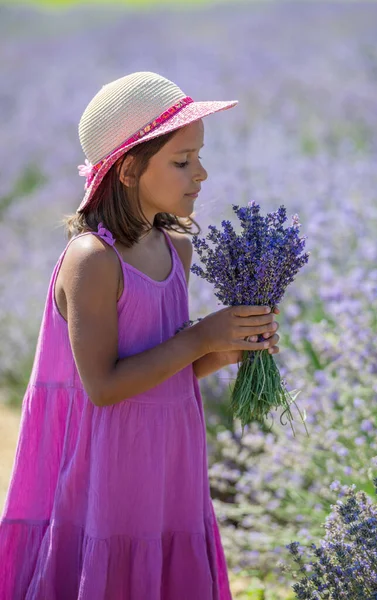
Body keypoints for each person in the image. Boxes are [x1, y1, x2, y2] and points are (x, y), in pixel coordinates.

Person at [0, 71, 280, 599]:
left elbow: (164, 367)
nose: (201, 173)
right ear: (128, 169)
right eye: (182, 161)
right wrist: (199, 338)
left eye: (198, 156)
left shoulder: (176, 249)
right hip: (110, 469)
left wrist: (227, 347)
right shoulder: (94, 261)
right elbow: (104, 386)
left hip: (170, 463)